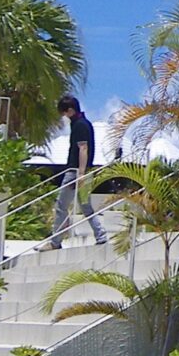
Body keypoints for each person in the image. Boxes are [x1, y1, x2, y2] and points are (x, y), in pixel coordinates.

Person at [49, 93, 107, 248]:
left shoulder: (79, 125)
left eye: (64, 113)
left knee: (62, 206)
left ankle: (55, 242)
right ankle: (101, 235)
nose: (64, 117)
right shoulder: (85, 123)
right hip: (84, 171)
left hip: (75, 172)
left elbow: (83, 148)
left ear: (70, 110)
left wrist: (80, 173)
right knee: (86, 206)